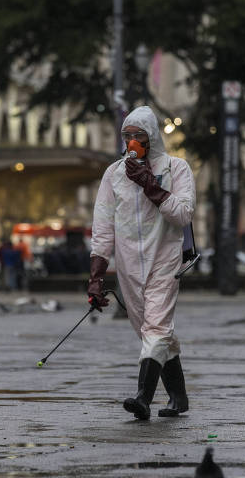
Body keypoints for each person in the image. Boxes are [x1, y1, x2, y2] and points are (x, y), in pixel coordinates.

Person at [88, 105, 196, 420]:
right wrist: (95, 277)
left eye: (139, 136)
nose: (132, 141)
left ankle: (142, 399)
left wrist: (151, 185)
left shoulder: (176, 168)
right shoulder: (114, 174)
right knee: (153, 332)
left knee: (157, 327)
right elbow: (103, 229)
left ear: (152, 138)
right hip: (129, 268)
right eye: (127, 136)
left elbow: (183, 214)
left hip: (166, 260)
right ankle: (178, 397)